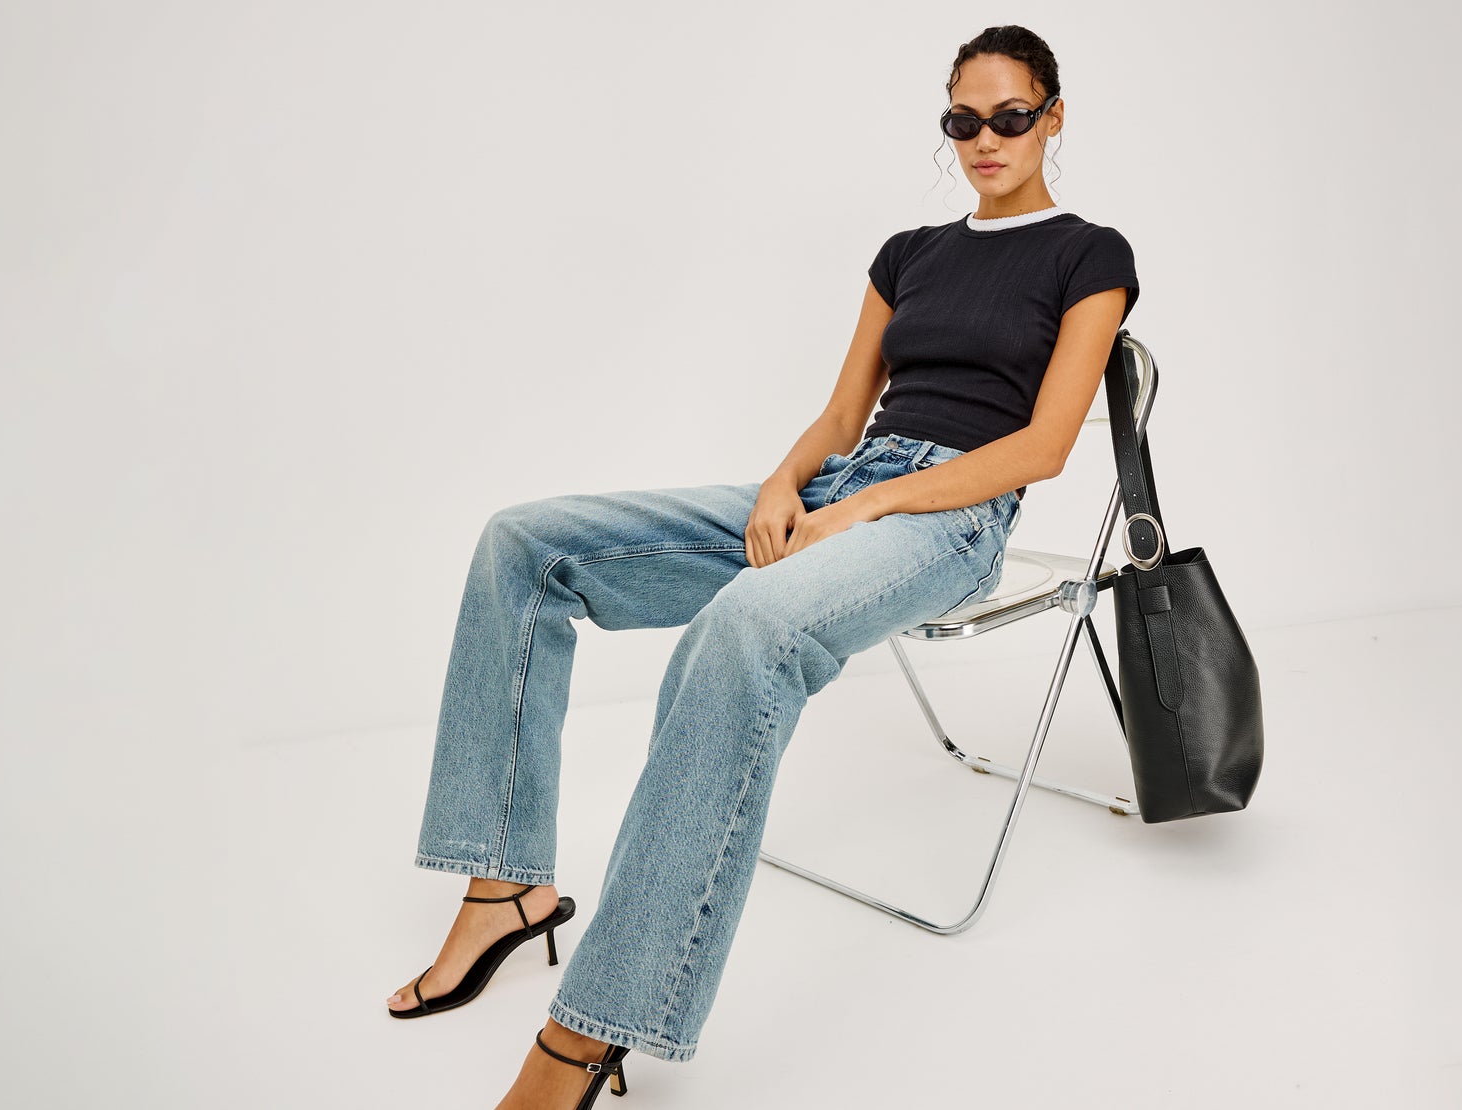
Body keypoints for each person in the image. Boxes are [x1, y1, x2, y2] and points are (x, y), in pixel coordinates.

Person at [385, 23, 1139, 1109]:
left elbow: (1046, 447)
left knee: (743, 631)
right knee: (526, 545)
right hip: (848, 488)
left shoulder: (1090, 253)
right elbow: (844, 412)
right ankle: (504, 885)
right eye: (962, 120)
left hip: (949, 521)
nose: (986, 139)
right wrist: (791, 486)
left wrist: (870, 508)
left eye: (1011, 117)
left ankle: (589, 1034)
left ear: (1052, 117)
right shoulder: (909, 253)